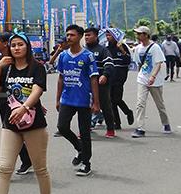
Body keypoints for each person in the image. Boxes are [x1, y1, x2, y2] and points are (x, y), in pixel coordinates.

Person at [0, 32, 54, 194]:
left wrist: (24, 107)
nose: (16, 48)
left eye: (21, 44)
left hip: (34, 124)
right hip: (10, 124)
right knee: (4, 168)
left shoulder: (37, 67)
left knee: (40, 169)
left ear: (27, 47)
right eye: (13, 45)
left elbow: (37, 89)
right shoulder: (5, 67)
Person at [55, 24, 100, 177]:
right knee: (62, 127)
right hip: (67, 99)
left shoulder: (88, 56)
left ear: (80, 37)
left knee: (85, 132)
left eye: (72, 35)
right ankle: (80, 149)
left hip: (83, 99)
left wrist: (96, 102)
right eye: (67, 35)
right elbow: (61, 78)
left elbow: (94, 79)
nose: (69, 38)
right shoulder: (63, 56)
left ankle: (86, 163)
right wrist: (57, 99)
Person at [0, 33, 33, 177]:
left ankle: (8, 167)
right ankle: (24, 161)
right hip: (3, 101)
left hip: (19, 104)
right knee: (12, 133)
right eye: (13, 45)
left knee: (15, 133)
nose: (16, 48)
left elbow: (30, 86)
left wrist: (33, 104)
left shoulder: (22, 63)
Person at [130, 26, 172, 138]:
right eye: (137, 34)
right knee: (140, 103)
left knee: (160, 105)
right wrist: (141, 75)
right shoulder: (138, 48)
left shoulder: (155, 47)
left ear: (146, 35)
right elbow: (139, 64)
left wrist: (152, 76)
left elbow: (158, 63)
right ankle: (140, 128)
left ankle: (166, 123)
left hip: (155, 80)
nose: (138, 36)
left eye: (140, 34)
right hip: (142, 79)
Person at [84, 27, 116, 138]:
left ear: (96, 36)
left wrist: (105, 75)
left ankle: (110, 129)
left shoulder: (103, 50)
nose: (87, 37)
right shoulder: (83, 50)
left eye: (89, 35)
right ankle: (85, 128)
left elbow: (110, 64)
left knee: (105, 106)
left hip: (101, 83)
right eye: (85, 35)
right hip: (85, 84)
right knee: (84, 107)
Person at [105, 29, 134, 130]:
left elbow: (128, 61)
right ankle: (117, 122)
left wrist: (122, 50)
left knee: (116, 99)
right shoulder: (106, 49)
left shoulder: (122, 46)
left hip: (120, 78)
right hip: (110, 78)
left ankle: (128, 112)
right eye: (106, 35)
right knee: (111, 101)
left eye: (109, 35)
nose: (108, 37)